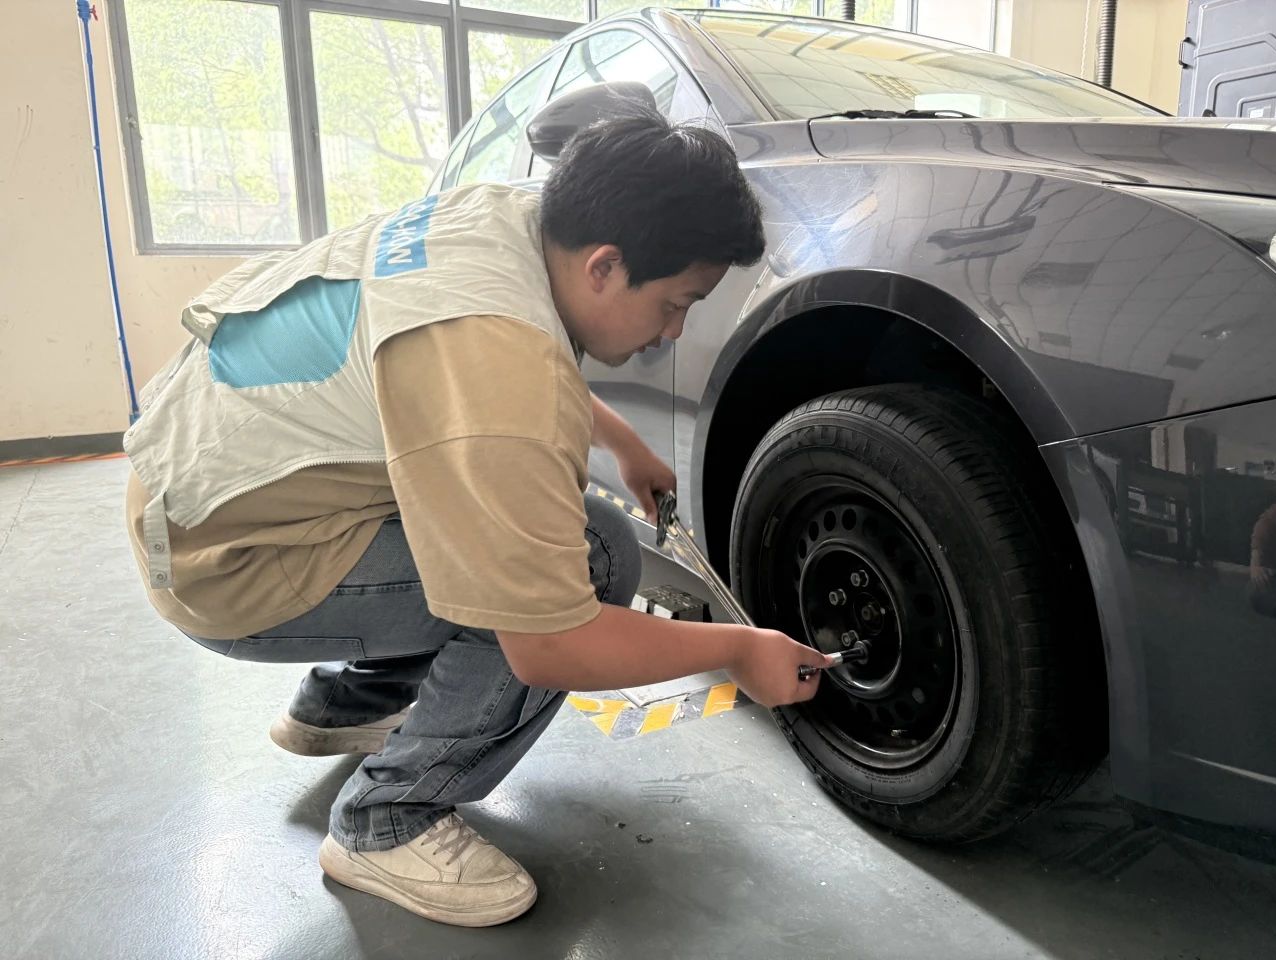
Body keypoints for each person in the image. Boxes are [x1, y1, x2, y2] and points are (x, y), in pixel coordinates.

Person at [124, 104, 831, 927]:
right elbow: (551, 643)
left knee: (503, 519)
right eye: (677, 303)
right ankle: (387, 820)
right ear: (605, 265)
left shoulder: (508, 218)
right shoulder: (506, 367)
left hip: (203, 501)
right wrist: (739, 649)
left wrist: (621, 439)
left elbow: (467, 374)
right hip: (230, 568)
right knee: (594, 557)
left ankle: (347, 706)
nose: (674, 331)